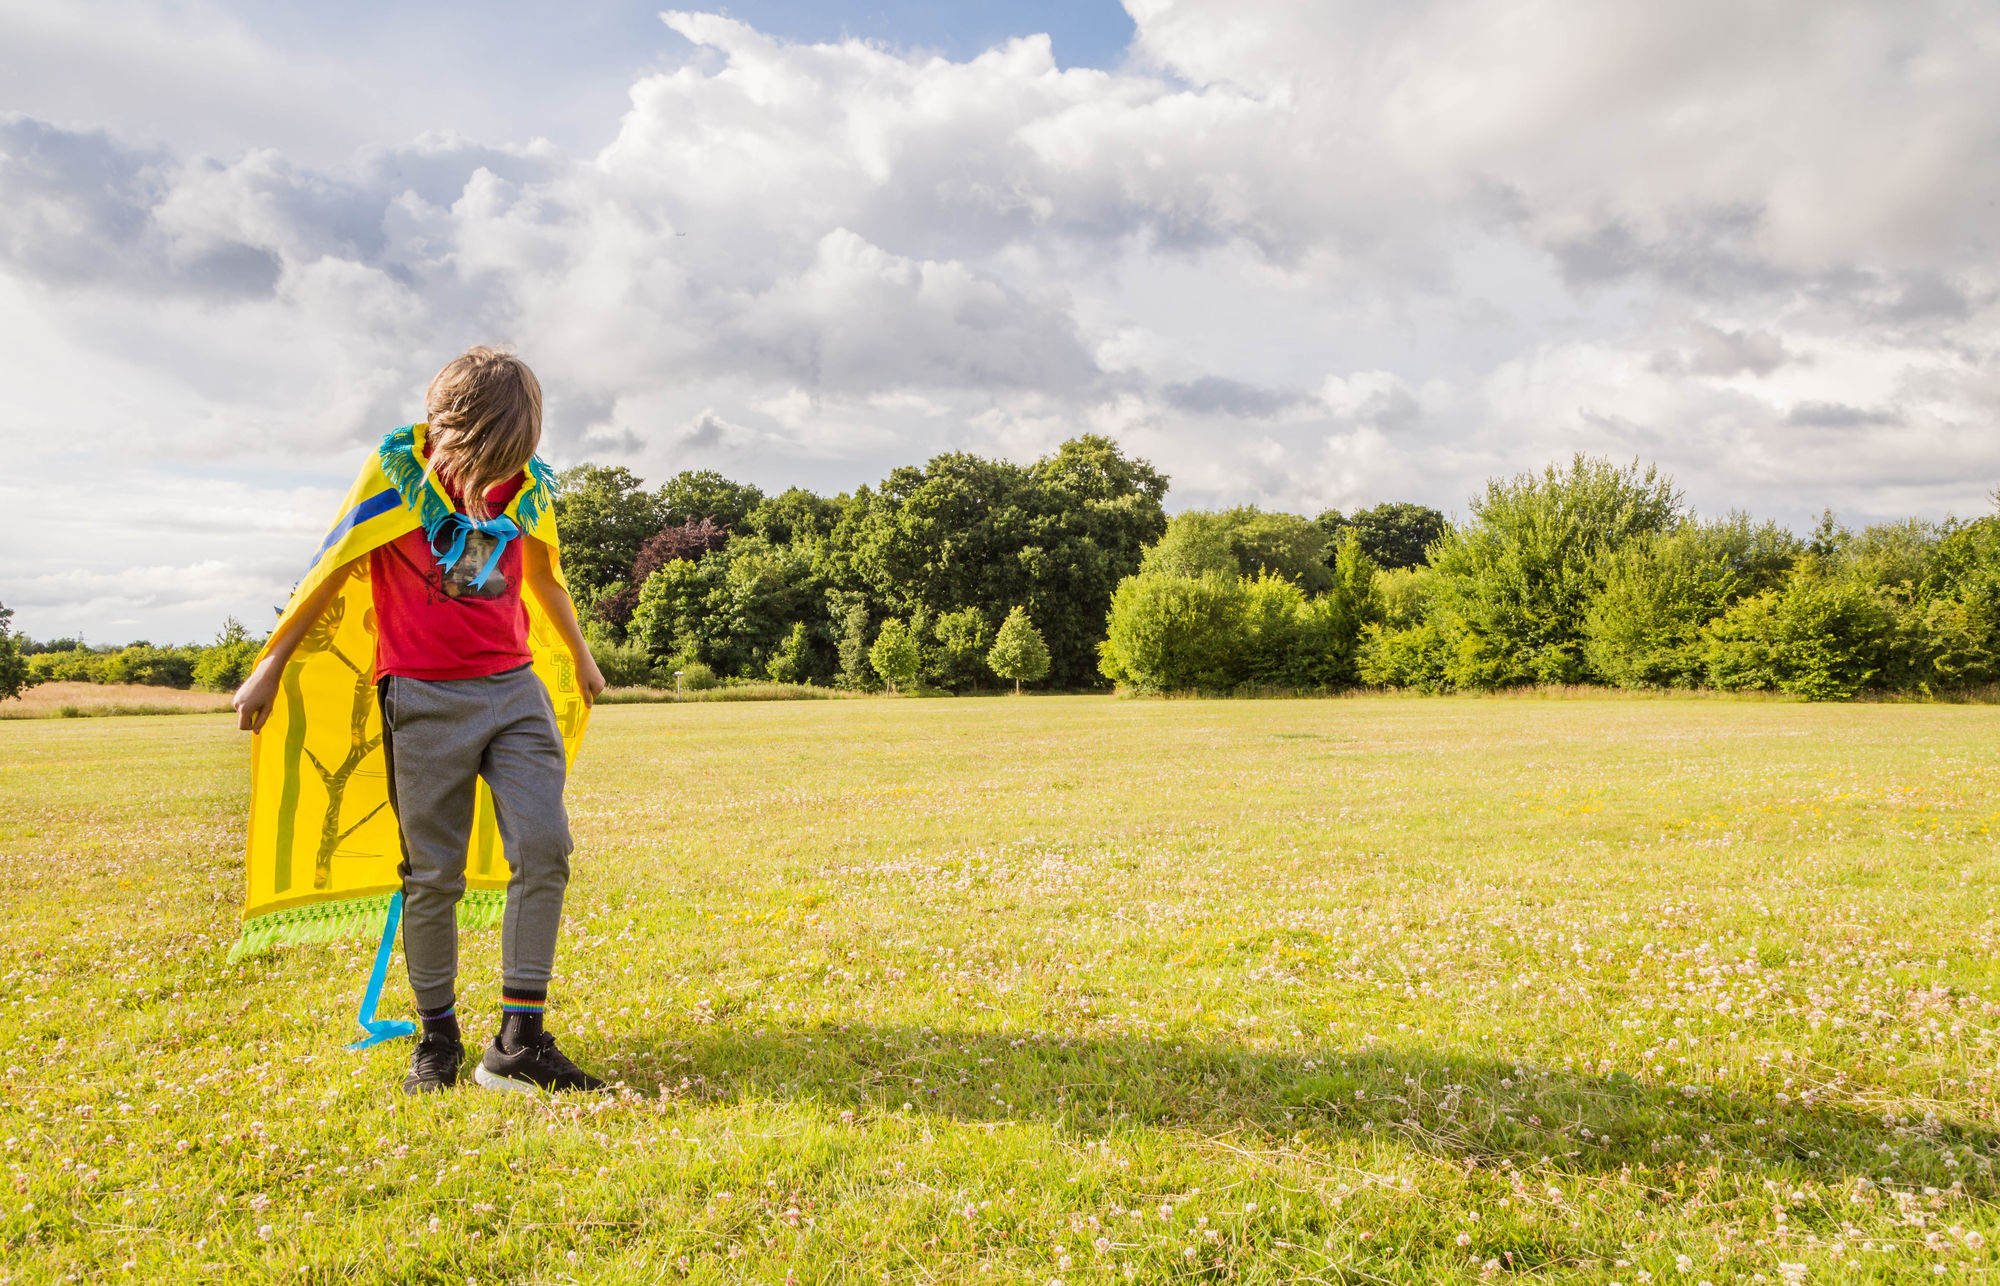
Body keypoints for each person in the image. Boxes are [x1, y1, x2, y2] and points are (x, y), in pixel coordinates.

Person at [233, 347, 608, 1094]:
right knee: (434, 875)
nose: (494, 477)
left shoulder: (526, 484)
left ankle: (518, 1043)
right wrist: (271, 662)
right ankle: (437, 1039)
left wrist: (583, 656)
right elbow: (336, 565)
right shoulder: (397, 474)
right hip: (422, 698)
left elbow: (542, 575)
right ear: (452, 430)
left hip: (515, 691)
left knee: (545, 848)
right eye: (485, 458)